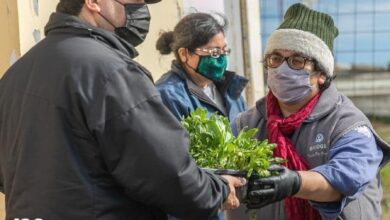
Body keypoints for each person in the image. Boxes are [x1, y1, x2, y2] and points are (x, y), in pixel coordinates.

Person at [0, 0, 247, 219]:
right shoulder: (111, 72)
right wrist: (219, 188)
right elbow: (166, 174)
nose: (141, 8)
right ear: (93, 3)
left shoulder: (15, 75)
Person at [228, 3, 390, 220]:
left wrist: (295, 182)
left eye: (296, 61)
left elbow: (347, 177)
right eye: (275, 58)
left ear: (321, 73)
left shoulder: (346, 124)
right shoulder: (246, 124)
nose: (282, 69)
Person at [155, 13, 248, 122]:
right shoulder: (168, 96)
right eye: (214, 52)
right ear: (184, 54)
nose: (221, 58)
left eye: (224, 50)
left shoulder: (230, 88)